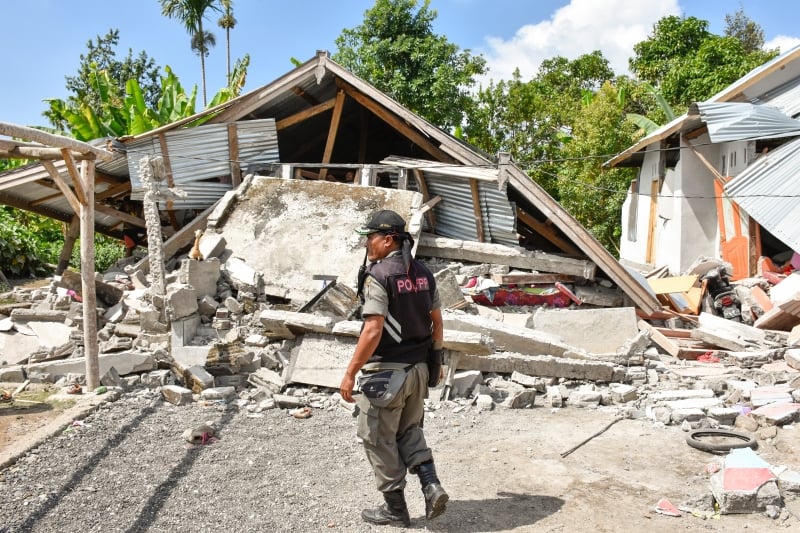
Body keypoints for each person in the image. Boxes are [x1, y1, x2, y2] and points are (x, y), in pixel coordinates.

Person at [340, 209, 448, 527]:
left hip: (388, 376)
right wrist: (435, 363)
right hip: (417, 372)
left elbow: (373, 330)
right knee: (409, 431)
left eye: (370, 238)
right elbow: (437, 323)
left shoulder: (379, 276)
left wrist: (349, 372)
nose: (366, 245)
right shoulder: (424, 273)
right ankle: (431, 485)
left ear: (388, 240)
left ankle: (395, 509)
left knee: (378, 438)